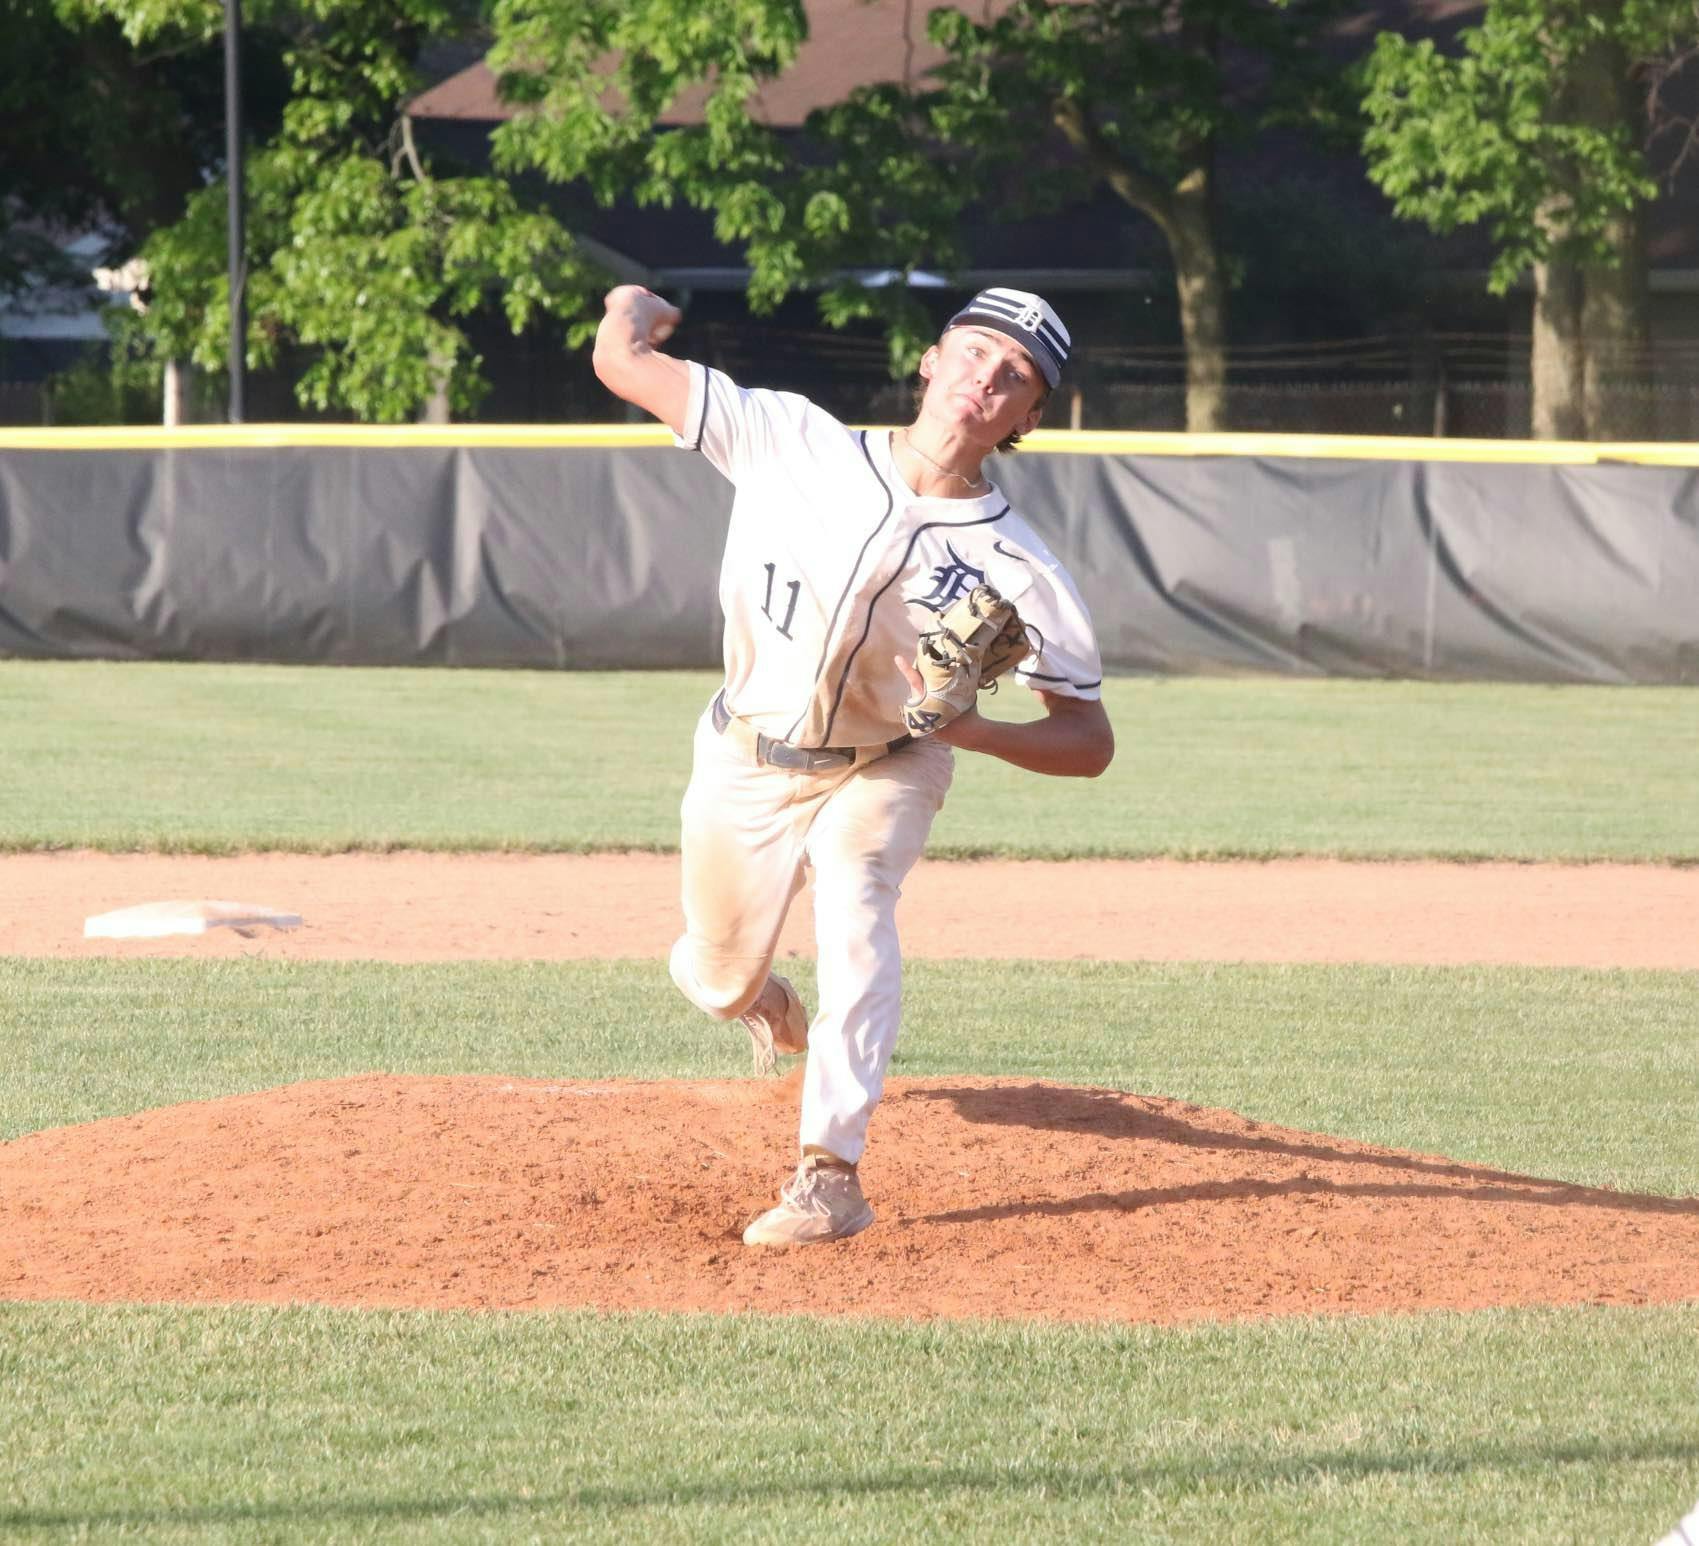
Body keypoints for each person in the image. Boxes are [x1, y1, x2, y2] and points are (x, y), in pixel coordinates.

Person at [592, 283, 1114, 1246]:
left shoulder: (1020, 564)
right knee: (711, 976)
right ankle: (761, 998)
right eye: (973, 353)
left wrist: (973, 731)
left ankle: (829, 1174)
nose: (984, 378)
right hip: (743, 756)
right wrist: (630, 302)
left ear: (1029, 417)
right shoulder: (792, 439)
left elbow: (1089, 741)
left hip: (890, 761)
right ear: (930, 359)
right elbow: (620, 363)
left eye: (1014, 377)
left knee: (857, 897)